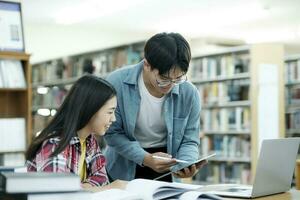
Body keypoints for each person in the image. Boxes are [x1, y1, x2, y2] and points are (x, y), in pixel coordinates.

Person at [104, 32, 204, 182]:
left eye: (178, 78)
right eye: (163, 79)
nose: (170, 85)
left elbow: (190, 139)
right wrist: (145, 158)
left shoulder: (189, 93)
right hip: (124, 164)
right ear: (147, 65)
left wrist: (187, 163)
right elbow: (112, 133)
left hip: (167, 165)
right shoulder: (117, 83)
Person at [26, 75, 126, 190]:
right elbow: (58, 192)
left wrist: (82, 188)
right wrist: (105, 189)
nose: (114, 119)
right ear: (90, 109)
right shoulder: (54, 144)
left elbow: (101, 177)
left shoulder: (90, 141)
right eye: (109, 112)